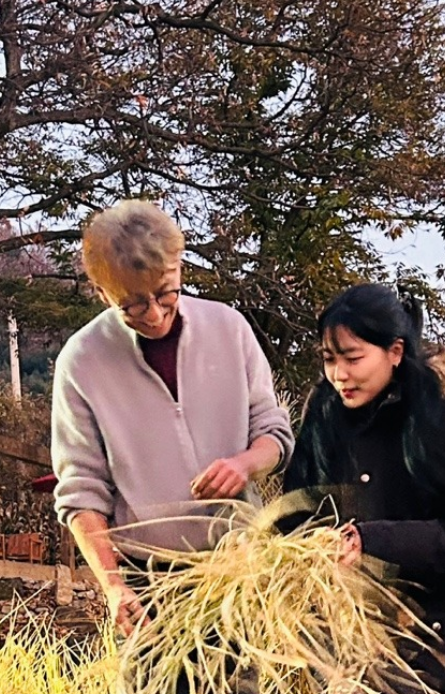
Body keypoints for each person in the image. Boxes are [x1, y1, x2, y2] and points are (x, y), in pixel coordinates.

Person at [52, 200, 294, 632]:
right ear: (102, 293)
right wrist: (113, 587)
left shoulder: (229, 327)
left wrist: (244, 464)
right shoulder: (82, 361)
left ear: (179, 266)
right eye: (134, 305)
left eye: (166, 293)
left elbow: (274, 432)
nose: (157, 315)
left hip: (242, 568)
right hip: (149, 587)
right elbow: (81, 492)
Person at [283, 283, 445, 694]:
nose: (339, 375)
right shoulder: (323, 417)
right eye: (329, 360)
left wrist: (374, 542)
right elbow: (294, 511)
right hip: (347, 657)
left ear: (396, 351)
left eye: (353, 358)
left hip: (441, 652)